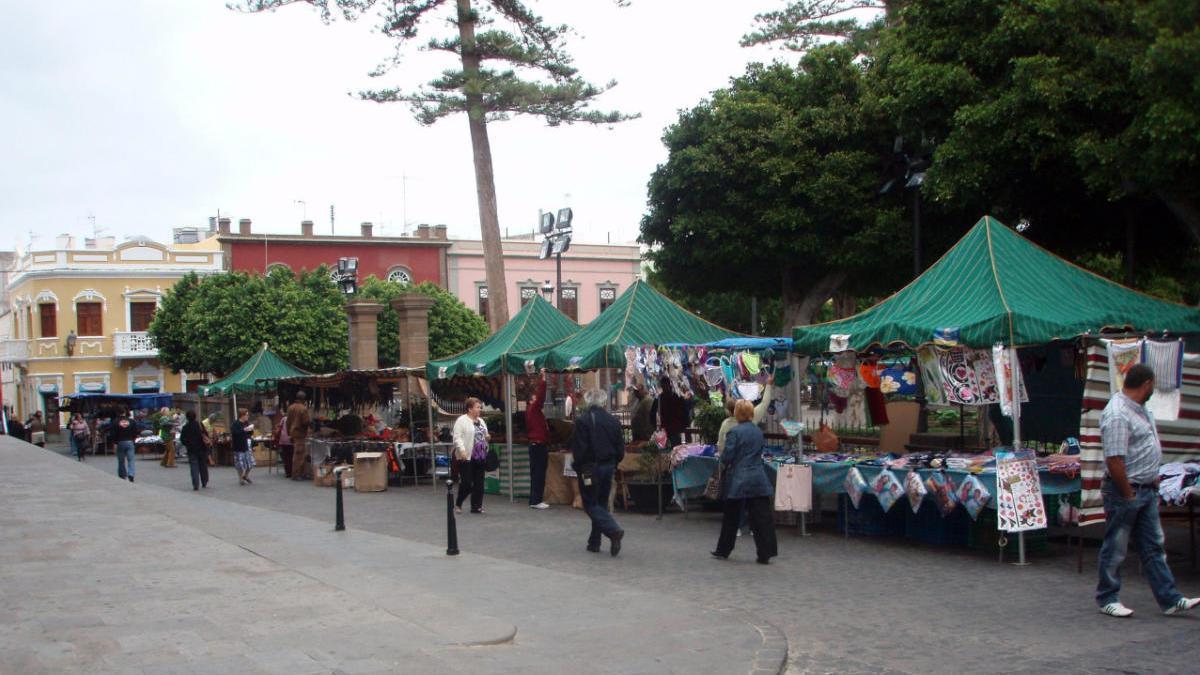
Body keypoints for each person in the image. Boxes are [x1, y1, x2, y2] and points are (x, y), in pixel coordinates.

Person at [1096, 364, 1198, 618]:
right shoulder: (1118, 413)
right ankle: (1107, 597)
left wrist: (1152, 479)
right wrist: (1128, 492)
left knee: (1153, 546)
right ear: (1148, 384)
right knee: (1116, 546)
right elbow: (1114, 459)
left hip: (1145, 488)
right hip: (1126, 490)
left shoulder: (1140, 410)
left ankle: (1170, 598)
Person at [711, 400, 778, 564]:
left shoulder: (734, 432)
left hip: (739, 478)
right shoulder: (758, 432)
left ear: (737, 414)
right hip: (758, 476)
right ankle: (766, 552)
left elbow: (727, 456)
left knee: (731, 516)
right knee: (762, 517)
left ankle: (723, 549)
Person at [572, 388, 625, 556]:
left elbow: (580, 449)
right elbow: (620, 449)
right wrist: (614, 462)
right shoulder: (613, 421)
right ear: (603, 402)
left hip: (590, 468)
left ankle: (613, 530)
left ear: (588, 401)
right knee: (600, 503)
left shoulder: (583, 421)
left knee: (590, 504)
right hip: (608, 466)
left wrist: (578, 465)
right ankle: (594, 542)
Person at [452, 397, 490, 514]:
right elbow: (456, 437)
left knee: (479, 483)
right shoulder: (461, 420)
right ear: (470, 409)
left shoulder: (481, 421)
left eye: (480, 407)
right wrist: (462, 450)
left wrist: (487, 437)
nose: (480, 409)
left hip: (480, 455)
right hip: (467, 456)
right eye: (477, 407)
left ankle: (476, 506)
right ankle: (458, 503)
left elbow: (485, 434)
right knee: (467, 483)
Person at [526, 370, 551, 510]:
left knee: (536, 472)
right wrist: (543, 379)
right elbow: (541, 396)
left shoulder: (532, 411)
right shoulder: (534, 409)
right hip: (538, 445)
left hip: (536, 444)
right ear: (532, 400)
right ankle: (536, 500)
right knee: (539, 473)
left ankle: (534, 499)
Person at [180, 410, 210, 491]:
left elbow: (182, 439)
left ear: (187, 417)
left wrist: (188, 444)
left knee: (194, 466)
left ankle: (195, 484)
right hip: (201, 448)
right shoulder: (199, 425)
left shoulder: (185, 427)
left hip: (191, 449)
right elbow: (206, 434)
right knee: (203, 465)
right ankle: (205, 481)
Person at [286, 392, 312, 481]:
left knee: (300, 453)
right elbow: (306, 422)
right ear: (304, 399)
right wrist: (311, 425)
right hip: (300, 433)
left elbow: (287, 422)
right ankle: (296, 474)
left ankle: (302, 473)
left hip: (293, 433)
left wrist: (288, 433)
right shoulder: (303, 409)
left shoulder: (290, 407)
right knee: (299, 454)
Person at [658, 377, 687, 448]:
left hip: (672, 426)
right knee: (674, 446)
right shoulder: (673, 396)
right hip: (672, 427)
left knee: (673, 446)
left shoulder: (671, 396)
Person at [231, 408, 256, 485]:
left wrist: (251, 429)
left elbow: (250, 433)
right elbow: (235, 433)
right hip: (238, 446)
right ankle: (241, 479)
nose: (248, 416)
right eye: (247, 415)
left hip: (246, 445)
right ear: (242, 415)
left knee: (250, 463)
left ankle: (245, 475)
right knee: (240, 465)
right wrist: (244, 430)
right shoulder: (235, 424)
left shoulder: (246, 423)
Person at [113, 409, 139, 483]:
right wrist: (133, 439)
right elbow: (136, 431)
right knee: (131, 460)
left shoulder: (115, 421)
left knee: (121, 460)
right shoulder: (131, 421)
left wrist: (115, 442)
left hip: (120, 442)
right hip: (130, 441)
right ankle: (131, 474)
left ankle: (122, 475)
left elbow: (113, 433)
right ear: (125, 412)